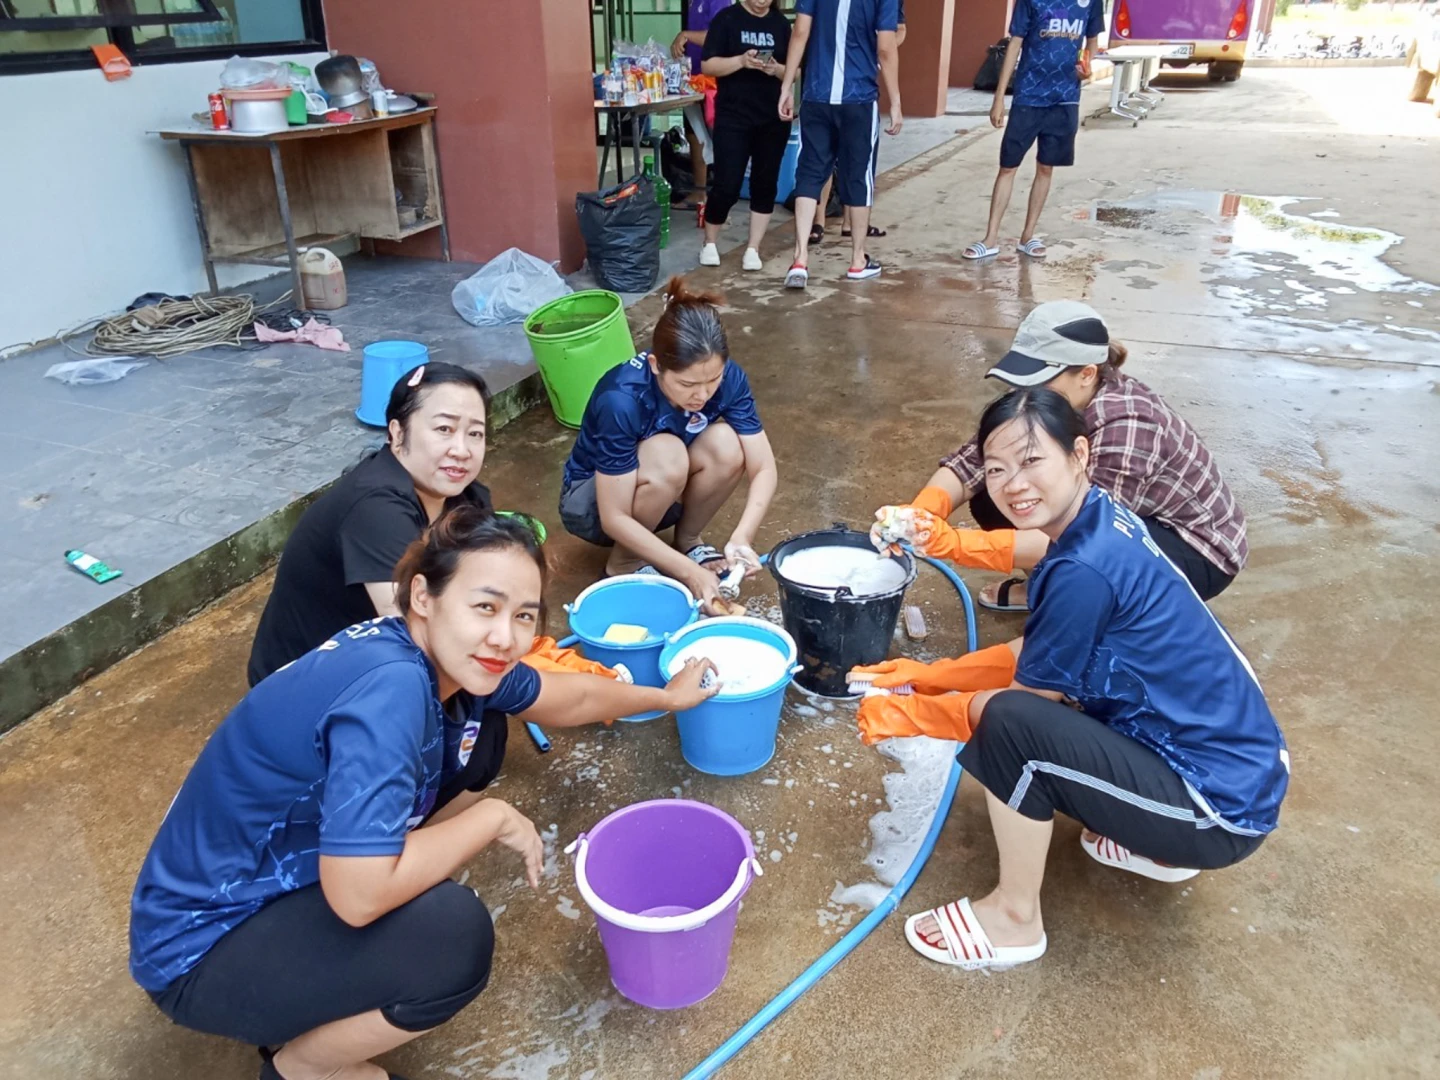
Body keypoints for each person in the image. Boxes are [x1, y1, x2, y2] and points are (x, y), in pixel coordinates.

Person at [131, 509, 719, 1080]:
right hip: (199, 948)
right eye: (485, 606)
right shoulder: (392, 693)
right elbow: (360, 898)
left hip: (257, 887)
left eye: (523, 616)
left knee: (451, 797)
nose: (505, 636)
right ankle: (305, 1068)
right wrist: (489, 819)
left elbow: (568, 698)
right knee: (449, 938)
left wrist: (666, 698)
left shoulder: (436, 654)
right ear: (422, 596)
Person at [853, 387, 1289, 972]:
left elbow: (1024, 709)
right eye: (997, 469)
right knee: (1035, 711)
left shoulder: (1083, 570)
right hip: (1238, 769)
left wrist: (915, 713)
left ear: (1080, 453)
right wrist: (931, 675)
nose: (1013, 485)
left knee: (1011, 732)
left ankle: (1013, 920)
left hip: (1215, 810)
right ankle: (1153, 844)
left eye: (1032, 461)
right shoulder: (1101, 517)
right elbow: (1037, 648)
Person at [877, 300, 1247, 611]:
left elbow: (1084, 533)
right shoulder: (1054, 402)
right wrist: (920, 514)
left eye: (1039, 380)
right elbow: (971, 462)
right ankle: (1050, 586)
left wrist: (952, 544)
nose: (1024, 392)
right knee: (999, 493)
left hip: (1193, 548)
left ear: (1086, 374)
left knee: (1093, 565)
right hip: (1130, 520)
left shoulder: (1129, 427)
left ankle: (1085, 604)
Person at [247, 361, 495, 686]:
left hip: (368, 662)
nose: (462, 450)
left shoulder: (468, 499)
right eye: (444, 429)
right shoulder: (376, 509)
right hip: (306, 687)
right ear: (397, 433)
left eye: (475, 433)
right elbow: (415, 636)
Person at [558, 276, 778, 614]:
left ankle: (688, 541)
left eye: (713, 380)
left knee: (728, 444)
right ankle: (623, 564)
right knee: (667, 453)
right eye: (687, 384)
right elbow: (613, 516)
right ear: (655, 365)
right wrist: (687, 573)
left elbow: (762, 466)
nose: (702, 395)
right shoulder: (622, 398)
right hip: (592, 506)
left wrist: (742, 538)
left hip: (659, 494)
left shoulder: (729, 379)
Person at [962, 0, 1104, 260]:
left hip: (1065, 98)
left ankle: (1027, 236)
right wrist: (999, 96)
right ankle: (990, 238)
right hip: (1028, 95)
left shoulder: (1089, 2)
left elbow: (1091, 40)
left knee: (1046, 167)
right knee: (1008, 166)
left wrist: (1087, 66)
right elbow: (1015, 43)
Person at [779, 0, 903, 285]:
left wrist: (787, 87)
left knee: (810, 172)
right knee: (858, 175)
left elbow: (800, 32)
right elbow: (885, 47)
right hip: (858, 99)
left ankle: (800, 259)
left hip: (817, 94)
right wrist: (895, 100)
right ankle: (858, 260)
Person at [698, 0, 793, 273]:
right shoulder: (727, 20)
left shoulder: (780, 24)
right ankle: (710, 242)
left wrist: (774, 69)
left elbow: (796, 71)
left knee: (765, 184)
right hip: (733, 116)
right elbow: (708, 66)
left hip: (772, 117)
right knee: (727, 183)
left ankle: (753, 248)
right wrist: (741, 61)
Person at [672, 0, 730, 204]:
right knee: (694, 135)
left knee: (720, 138)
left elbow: (719, 36)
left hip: (714, 79)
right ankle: (699, 191)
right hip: (694, 79)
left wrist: (685, 35)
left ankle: (723, 198)